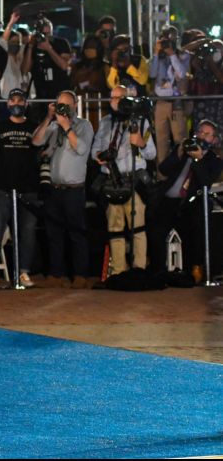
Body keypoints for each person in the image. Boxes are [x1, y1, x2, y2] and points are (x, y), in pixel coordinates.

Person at [32, 90, 95, 289]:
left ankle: (80, 274)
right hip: (54, 189)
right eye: (60, 104)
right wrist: (48, 118)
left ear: (75, 105)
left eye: (67, 105)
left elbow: (82, 149)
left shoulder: (84, 125)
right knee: (54, 234)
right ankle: (55, 274)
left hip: (74, 190)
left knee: (77, 234)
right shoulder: (53, 125)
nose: (63, 108)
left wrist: (67, 126)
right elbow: (36, 140)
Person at [91, 85, 156, 274]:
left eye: (120, 98)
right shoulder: (105, 122)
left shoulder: (140, 121)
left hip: (133, 180)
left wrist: (141, 143)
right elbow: (94, 150)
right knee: (115, 228)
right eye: (112, 97)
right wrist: (99, 156)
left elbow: (151, 154)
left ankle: (139, 270)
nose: (115, 101)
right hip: (111, 179)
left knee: (138, 229)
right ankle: (118, 270)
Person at [148, 120, 223, 279]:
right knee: (155, 228)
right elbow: (163, 169)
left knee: (194, 227)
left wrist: (199, 159)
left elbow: (205, 182)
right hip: (168, 200)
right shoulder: (183, 151)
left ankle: (192, 268)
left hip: (190, 203)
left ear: (214, 139)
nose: (202, 136)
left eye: (207, 134)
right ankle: (157, 269)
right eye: (200, 132)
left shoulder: (214, 160)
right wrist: (179, 152)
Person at [0, 89, 40, 289]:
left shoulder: (34, 127)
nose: (16, 103)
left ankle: (23, 272)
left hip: (28, 189)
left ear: (26, 103)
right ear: (7, 103)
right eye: (13, 100)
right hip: (3, 188)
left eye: (20, 100)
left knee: (27, 232)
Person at [150, 25, 191, 174]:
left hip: (176, 103)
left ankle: (183, 175)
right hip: (161, 102)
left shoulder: (183, 55)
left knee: (180, 140)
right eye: (165, 39)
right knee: (161, 141)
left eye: (171, 39)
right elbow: (152, 74)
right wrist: (156, 53)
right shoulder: (158, 56)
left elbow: (181, 74)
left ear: (176, 39)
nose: (167, 42)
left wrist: (172, 54)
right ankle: (162, 177)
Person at [21, 17, 72, 100]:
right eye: (43, 34)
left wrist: (49, 49)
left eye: (49, 33)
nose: (46, 37)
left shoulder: (61, 43)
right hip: (40, 92)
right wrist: (30, 46)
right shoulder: (32, 45)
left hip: (60, 91)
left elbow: (64, 66)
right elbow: (25, 70)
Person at [0, 12, 29, 99]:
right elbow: (3, 40)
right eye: (12, 42)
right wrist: (11, 23)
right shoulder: (4, 58)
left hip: (18, 100)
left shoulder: (20, 60)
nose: (15, 44)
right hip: (5, 98)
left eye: (18, 42)